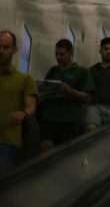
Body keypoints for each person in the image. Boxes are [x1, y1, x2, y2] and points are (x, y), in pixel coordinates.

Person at [39, 39, 95, 151]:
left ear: (71, 53)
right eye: (56, 54)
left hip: (70, 120)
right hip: (50, 118)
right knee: (46, 147)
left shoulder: (82, 72)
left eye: (62, 54)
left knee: (68, 153)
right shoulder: (53, 71)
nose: (58, 57)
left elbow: (87, 97)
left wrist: (69, 90)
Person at [0, 30, 37, 174]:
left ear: (14, 50)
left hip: (7, 143)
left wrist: (23, 113)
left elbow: (31, 107)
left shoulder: (24, 79)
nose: (1, 51)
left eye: (6, 47)